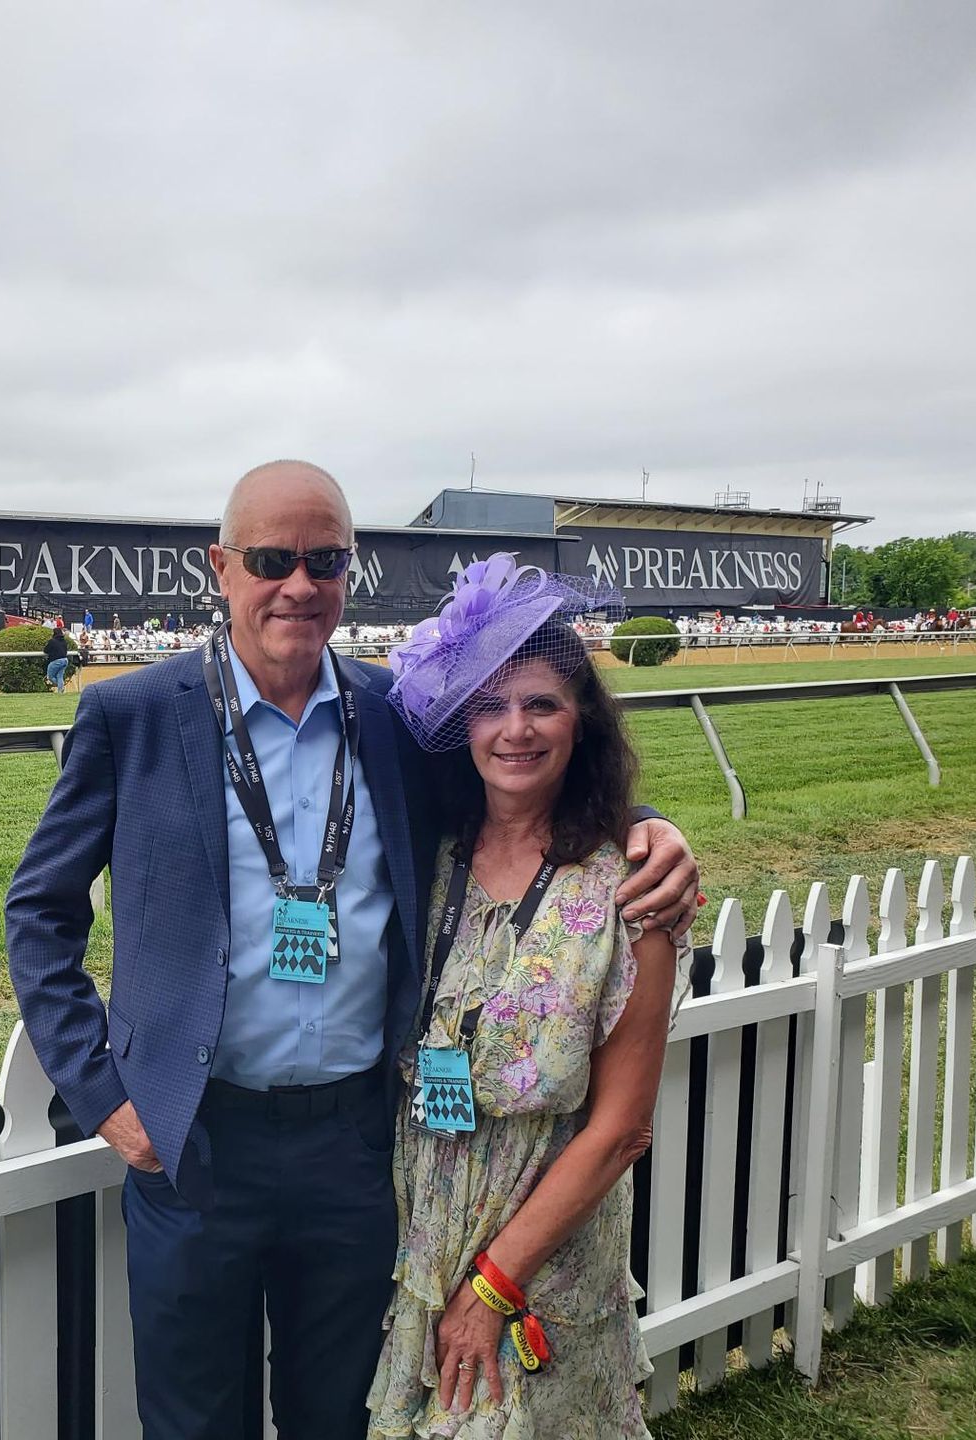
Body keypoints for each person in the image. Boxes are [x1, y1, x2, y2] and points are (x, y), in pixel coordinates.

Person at [3, 461, 698, 1439]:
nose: (298, 583)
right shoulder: (135, 717)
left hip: (356, 1150)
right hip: (197, 1142)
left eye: (323, 559)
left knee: (342, 1418)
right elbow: (39, 914)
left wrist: (648, 827)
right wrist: (107, 1100)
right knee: (195, 1421)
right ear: (222, 568)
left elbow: (531, 770)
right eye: (273, 559)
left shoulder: (397, 720)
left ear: (349, 569)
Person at [364, 555, 690, 1438]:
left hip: (540, 1260)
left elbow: (621, 1128)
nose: (516, 729)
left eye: (542, 702)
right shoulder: (428, 856)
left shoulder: (630, 891)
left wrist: (492, 1287)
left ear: (582, 722)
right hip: (419, 1238)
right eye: (491, 706)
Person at [44, 623, 70, 694]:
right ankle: (60, 691)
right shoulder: (64, 641)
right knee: (60, 676)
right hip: (65, 660)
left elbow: (45, 650)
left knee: (50, 676)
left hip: (56, 661)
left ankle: (61, 687)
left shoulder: (52, 641)